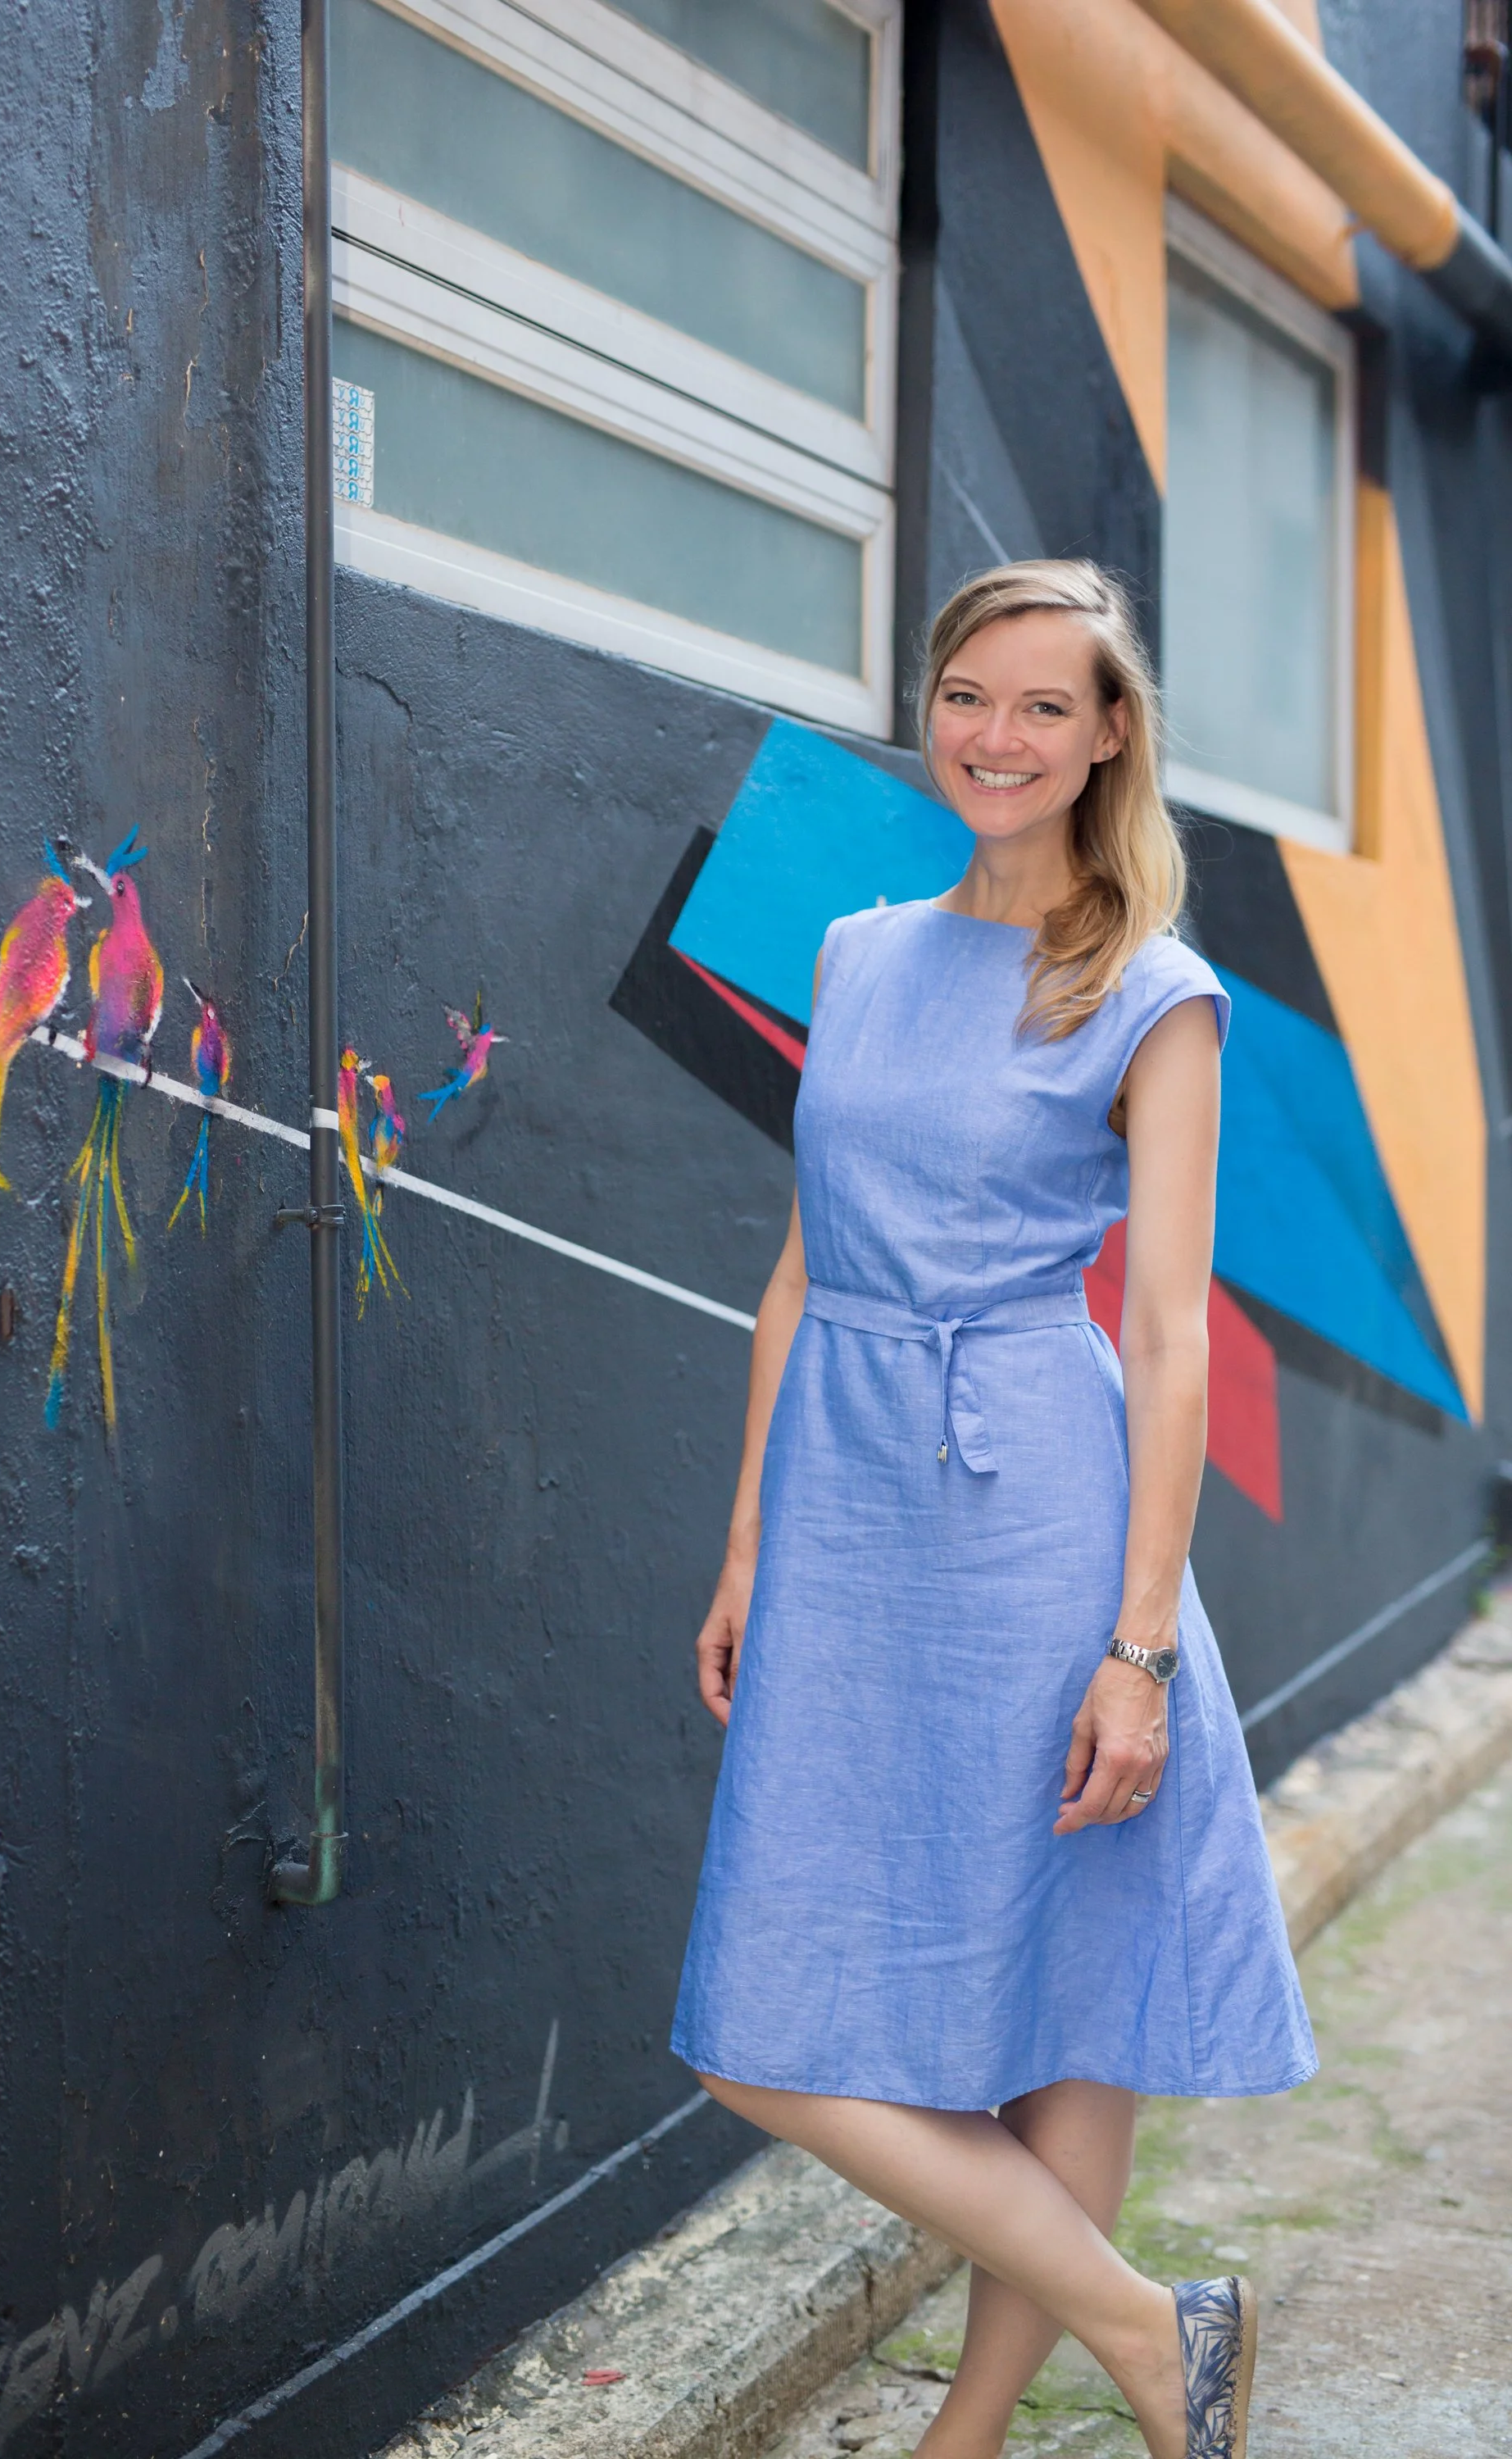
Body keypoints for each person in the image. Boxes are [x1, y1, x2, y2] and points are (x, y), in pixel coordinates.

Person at [670, 561, 1314, 2459]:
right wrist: (743, 1546)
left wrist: (1136, 1646)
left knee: (1065, 1983)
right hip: (845, 1499)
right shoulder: (860, 951)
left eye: (1047, 705)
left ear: (1111, 733)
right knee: (750, 2041)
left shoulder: (1152, 989)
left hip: (1042, 1493)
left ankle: (971, 2438)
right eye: (970, 693)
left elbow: (1175, 1339)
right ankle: (1151, 2324)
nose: (998, 736)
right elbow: (796, 1275)